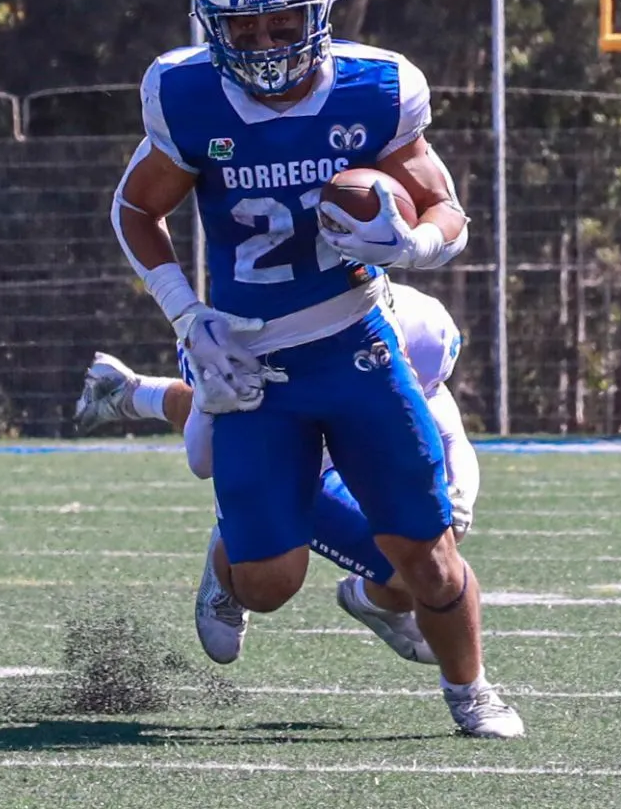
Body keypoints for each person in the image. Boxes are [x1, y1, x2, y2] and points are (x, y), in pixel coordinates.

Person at [107, 0, 522, 738]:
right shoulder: (185, 95)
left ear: (317, 14)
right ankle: (229, 561)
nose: (264, 45)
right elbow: (135, 208)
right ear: (212, 28)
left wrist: (414, 244)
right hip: (251, 359)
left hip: (357, 346)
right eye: (244, 30)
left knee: (431, 558)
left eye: (282, 24)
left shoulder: (375, 88)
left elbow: (448, 210)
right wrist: (188, 318)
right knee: (268, 582)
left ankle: (470, 689)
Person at [75, 281, 481, 668]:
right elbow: (206, 460)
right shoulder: (276, 338)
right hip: (277, 426)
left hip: (338, 455)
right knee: (267, 582)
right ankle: (232, 547)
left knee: (427, 574)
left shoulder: (419, 333)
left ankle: (129, 393)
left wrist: (461, 494)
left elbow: (449, 431)